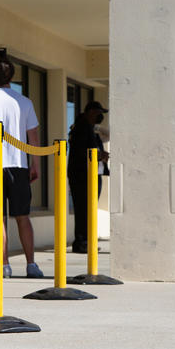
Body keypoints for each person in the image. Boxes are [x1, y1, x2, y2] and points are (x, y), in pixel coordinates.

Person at [0, 58, 43, 278]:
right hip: (18, 164)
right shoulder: (24, 102)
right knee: (22, 216)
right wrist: (35, 165)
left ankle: (3, 264)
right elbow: (33, 137)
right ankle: (31, 264)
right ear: (12, 77)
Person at [68, 101, 108, 253]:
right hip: (82, 175)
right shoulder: (82, 127)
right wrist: (99, 155)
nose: (101, 116)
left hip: (89, 174)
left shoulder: (88, 127)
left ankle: (85, 240)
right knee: (84, 210)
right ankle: (82, 242)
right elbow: (82, 152)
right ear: (91, 112)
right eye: (99, 113)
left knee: (87, 210)